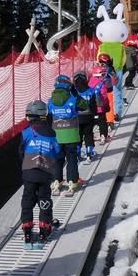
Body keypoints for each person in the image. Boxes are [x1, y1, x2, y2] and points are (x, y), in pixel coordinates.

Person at [19, 101, 59, 247]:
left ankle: (27, 232)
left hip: (29, 172)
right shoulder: (51, 133)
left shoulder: (25, 132)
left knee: (27, 201)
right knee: (44, 200)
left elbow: (21, 152)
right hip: (45, 173)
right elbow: (56, 151)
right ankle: (44, 230)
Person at [48, 74, 86, 196]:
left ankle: (56, 182)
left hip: (56, 137)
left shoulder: (50, 101)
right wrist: (75, 93)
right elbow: (84, 105)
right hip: (71, 135)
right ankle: (72, 182)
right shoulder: (73, 100)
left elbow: (47, 116)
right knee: (71, 159)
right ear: (69, 86)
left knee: (57, 160)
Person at [89, 65, 112, 144]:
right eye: (103, 75)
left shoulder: (89, 82)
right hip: (100, 108)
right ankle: (103, 135)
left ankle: (90, 136)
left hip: (91, 108)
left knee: (90, 123)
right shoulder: (101, 84)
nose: (104, 77)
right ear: (98, 75)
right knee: (102, 122)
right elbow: (104, 96)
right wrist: (106, 104)